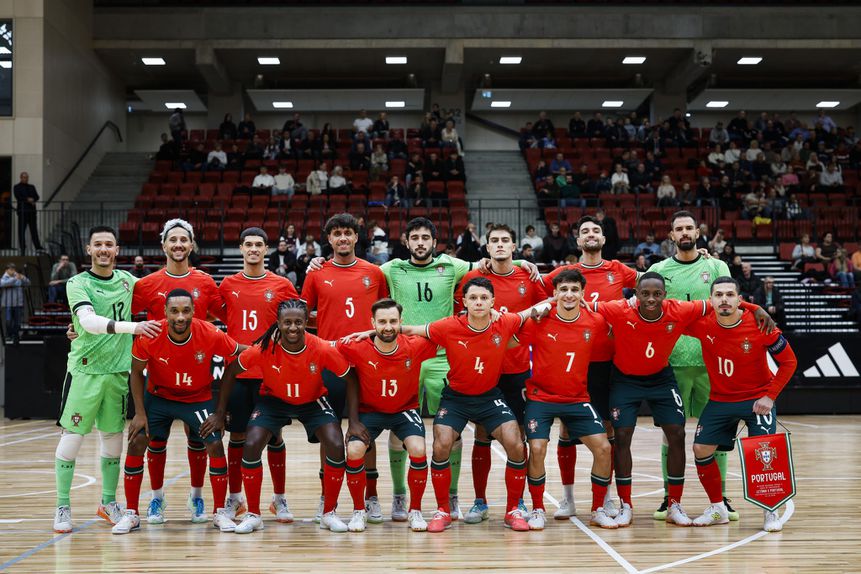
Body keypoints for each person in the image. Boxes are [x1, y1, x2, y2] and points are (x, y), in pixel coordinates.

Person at [382, 277, 547, 532]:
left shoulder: (504, 322)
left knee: (516, 443)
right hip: (456, 398)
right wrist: (371, 333)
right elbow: (412, 329)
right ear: (464, 302)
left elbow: (528, 313)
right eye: (473, 298)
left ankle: (513, 509)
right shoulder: (448, 326)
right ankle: (442, 510)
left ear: (493, 302)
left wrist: (554, 300)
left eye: (484, 298)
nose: (478, 302)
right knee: (441, 444)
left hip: (490, 397)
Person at [207, 300, 351, 533]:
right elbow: (232, 370)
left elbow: (349, 376)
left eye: (298, 322)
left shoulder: (321, 347)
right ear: (278, 324)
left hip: (313, 401)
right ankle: (254, 514)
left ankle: (328, 513)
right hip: (274, 401)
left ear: (306, 324)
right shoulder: (265, 348)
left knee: (335, 444)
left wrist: (353, 422)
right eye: (287, 322)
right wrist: (220, 412)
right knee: (251, 443)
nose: (293, 328)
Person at [52, 226, 160, 533]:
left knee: (113, 442)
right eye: (97, 244)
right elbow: (87, 322)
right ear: (89, 250)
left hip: (117, 373)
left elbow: (162, 289)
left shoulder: (128, 281)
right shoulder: (77, 282)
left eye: (108, 245)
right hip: (85, 373)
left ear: (116, 250)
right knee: (71, 443)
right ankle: (62, 505)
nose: (103, 249)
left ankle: (108, 503)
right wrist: (134, 328)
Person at [111, 289, 243, 535]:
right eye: (174, 311)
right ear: (165, 313)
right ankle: (138, 509)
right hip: (160, 397)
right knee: (139, 440)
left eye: (186, 311)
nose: (180, 317)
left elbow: (239, 352)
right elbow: (136, 372)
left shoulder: (209, 332)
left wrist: (271, 345)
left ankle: (212, 508)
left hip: (197, 398)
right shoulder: (151, 334)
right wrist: (139, 412)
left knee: (214, 444)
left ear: (194, 312)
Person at [541, 216, 638, 518]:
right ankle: (568, 498)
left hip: (609, 363)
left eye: (596, 230)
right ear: (578, 240)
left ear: (603, 238)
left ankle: (606, 497)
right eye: (585, 231)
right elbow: (530, 285)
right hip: (572, 364)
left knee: (607, 429)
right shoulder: (564, 275)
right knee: (567, 428)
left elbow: (656, 282)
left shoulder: (619, 271)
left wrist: (703, 254)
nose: (591, 235)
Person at [130, 219, 225, 523]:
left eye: (184, 239)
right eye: (173, 240)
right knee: (153, 442)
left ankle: (197, 498)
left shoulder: (206, 283)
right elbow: (122, 317)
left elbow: (227, 320)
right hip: (158, 377)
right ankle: (156, 500)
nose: (179, 245)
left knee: (199, 439)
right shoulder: (146, 285)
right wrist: (77, 329)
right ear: (164, 245)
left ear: (192, 244)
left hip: (196, 374)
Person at [684, 277, 796, 532]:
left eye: (730, 295)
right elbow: (672, 316)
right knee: (701, 448)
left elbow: (789, 362)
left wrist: (770, 397)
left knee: (764, 453)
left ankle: (770, 512)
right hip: (720, 399)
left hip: (757, 400)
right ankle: (718, 509)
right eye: (719, 295)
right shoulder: (702, 323)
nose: (724, 299)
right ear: (710, 300)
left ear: (739, 299)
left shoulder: (760, 324)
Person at [453, 224, 547, 525]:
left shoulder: (527, 276)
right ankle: (480, 501)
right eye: (494, 240)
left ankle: (516, 501)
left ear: (515, 246)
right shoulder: (473, 279)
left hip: (518, 368)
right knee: (482, 435)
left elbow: (547, 305)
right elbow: (459, 315)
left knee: (517, 438)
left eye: (506, 240)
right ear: (486, 246)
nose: (500, 245)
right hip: (484, 369)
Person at [300, 214, 389, 521]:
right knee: (330, 434)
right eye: (336, 234)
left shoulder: (374, 273)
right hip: (328, 361)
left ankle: (372, 497)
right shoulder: (316, 273)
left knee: (365, 432)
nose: (342, 238)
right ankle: (327, 497)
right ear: (329, 239)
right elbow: (302, 315)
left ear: (355, 237)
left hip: (366, 361)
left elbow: (386, 316)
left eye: (347, 233)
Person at [648, 211, 735, 521]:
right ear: (671, 235)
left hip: (712, 363)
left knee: (718, 433)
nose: (684, 233)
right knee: (671, 435)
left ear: (698, 232)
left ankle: (721, 497)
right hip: (672, 364)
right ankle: (670, 499)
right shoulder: (658, 269)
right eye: (678, 229)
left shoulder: (717, 266)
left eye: (689, 228)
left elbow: (729, 307)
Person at [515, 270, 616, 530]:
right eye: (563, 290)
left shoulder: (594, 321)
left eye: (574, 289)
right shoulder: (538, 321)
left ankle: (597, 509)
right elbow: (507, 340)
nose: (568, 294)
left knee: (604, 448)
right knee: (536, 448)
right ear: (555, 294)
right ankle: (538, 509)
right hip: (541, 398)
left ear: (582, 294)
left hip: (577, 399)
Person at [217, 228, 299, 522]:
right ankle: (235, 499)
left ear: (267, 249)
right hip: (238, 373)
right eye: (248, 244)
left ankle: (279, 500)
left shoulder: (281, 285)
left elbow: (296, 321)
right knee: (237, 434)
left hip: (270, 373)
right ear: (241, 248)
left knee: (273, 435)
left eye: (258, 245)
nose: (253, 249)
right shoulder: (227, 284)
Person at [336, 299, 438, 532]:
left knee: (419, 449)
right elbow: (325, 345)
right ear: (373, 322)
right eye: (381, 322)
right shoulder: (357, 346)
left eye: (393, 321)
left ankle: (416, 511)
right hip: (370, 411)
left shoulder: (414, 345)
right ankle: (358, 511)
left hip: (405, 410)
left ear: (401, 322)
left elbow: (443, 332)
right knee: (354, 450)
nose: (388, 326)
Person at [13, 171, 43, 254]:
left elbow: (37, 196)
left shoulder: (31, 187)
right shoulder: (16, 187)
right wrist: (28, 199)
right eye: (24, 177)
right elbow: (18, 196)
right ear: (21, 178)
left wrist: (33, 199)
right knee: (21, 231)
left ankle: (38, 247)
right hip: (22, 212)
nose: (26, 179)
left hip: (32, 212)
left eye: (27, 177)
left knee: (34, 230)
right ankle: (23, 248)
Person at [1, 263, 30, 344]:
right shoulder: (4, 278)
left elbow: (28, 283)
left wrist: (23, 278)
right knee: (8, 321)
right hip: (8, 304)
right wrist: (14, 279)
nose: (12, 271)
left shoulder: (18, 277)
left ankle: (15, 336)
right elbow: (3, 283)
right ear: (6, 270)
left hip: (18, 303)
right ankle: (9, 335)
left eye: (13, 269)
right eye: (10, 269)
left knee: (17, 321)